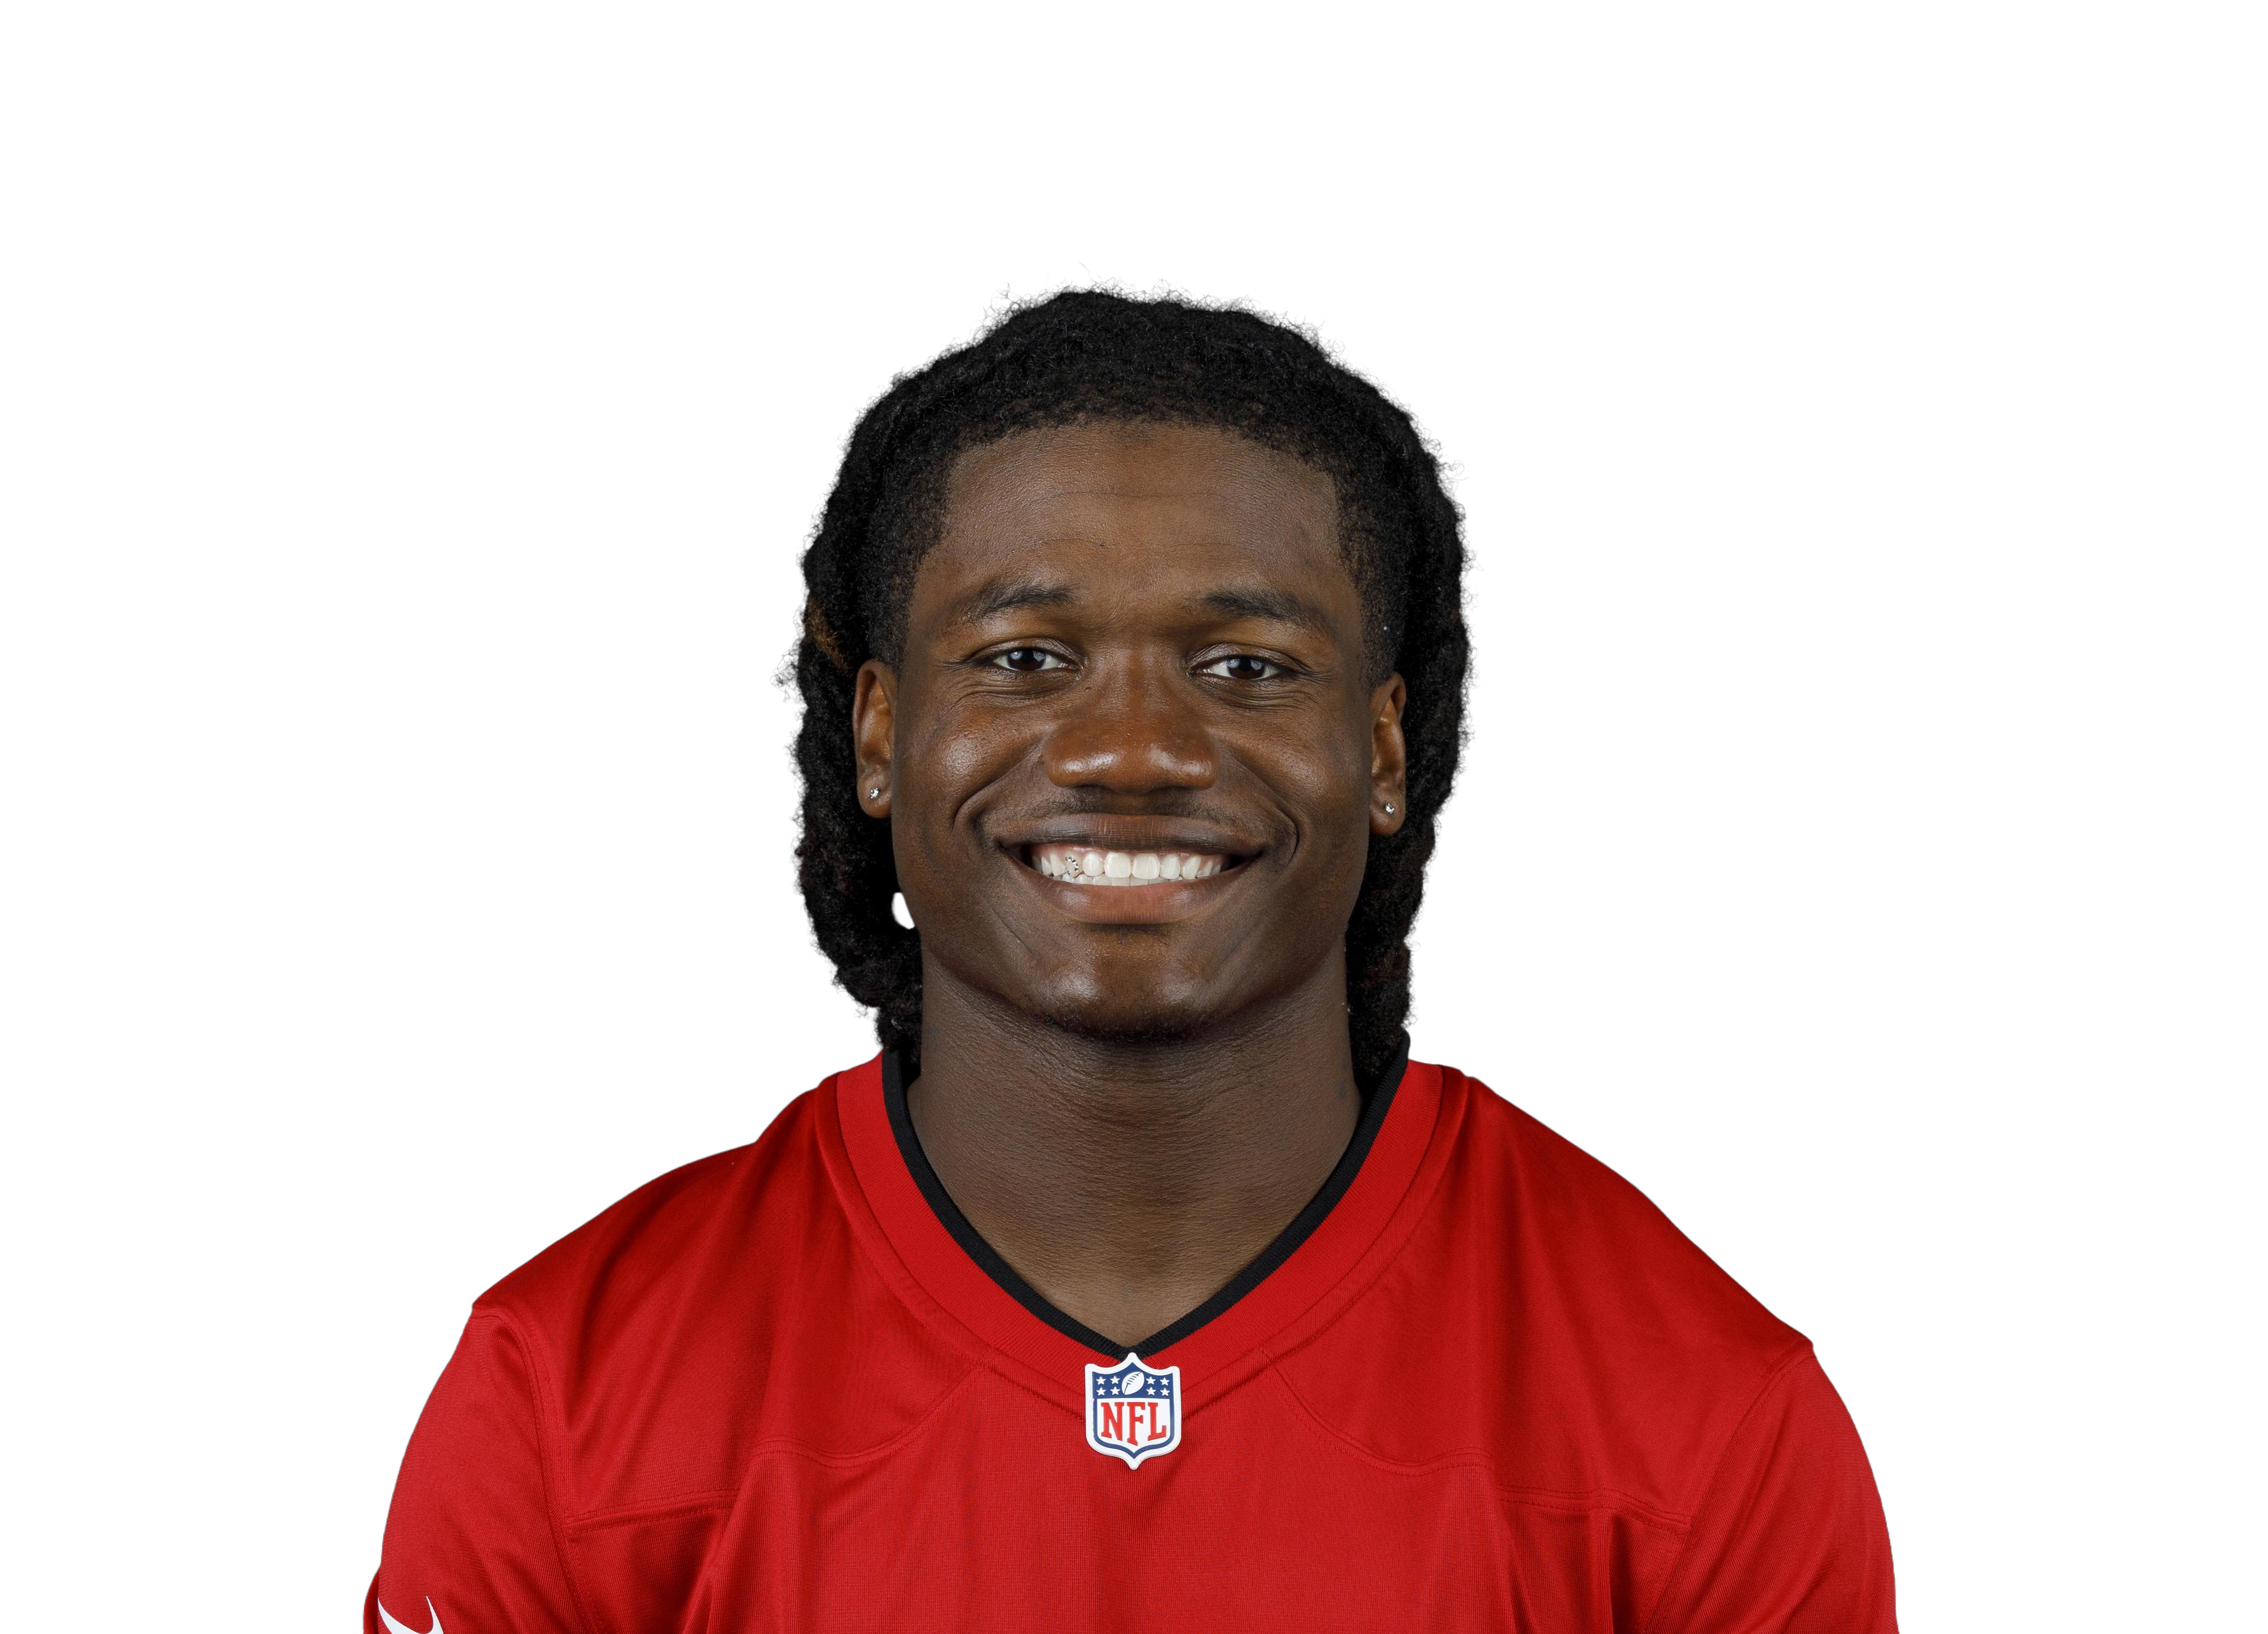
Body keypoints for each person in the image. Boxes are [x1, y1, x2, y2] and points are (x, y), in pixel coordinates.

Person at [365, 277, 1898, 1631]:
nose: (1133, 750)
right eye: (1026, 658)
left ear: (1381, 747)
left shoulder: (1704, 1412)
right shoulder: (563, 1387)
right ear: (879, 733)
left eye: (1244, 665)